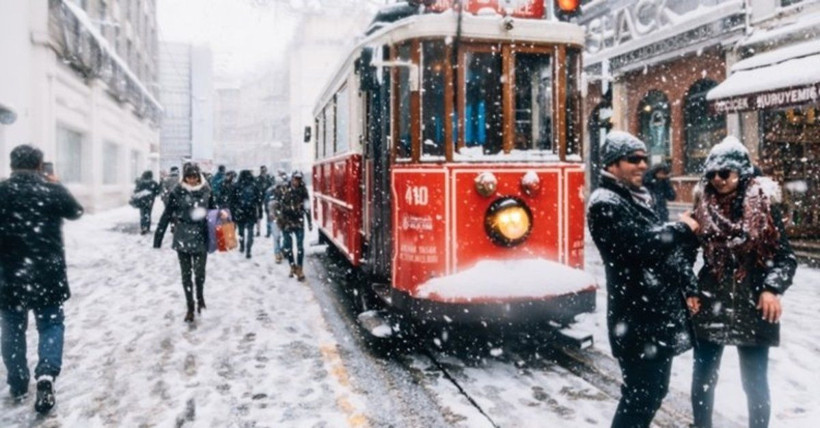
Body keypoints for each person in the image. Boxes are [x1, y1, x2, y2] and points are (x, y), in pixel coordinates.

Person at [586, 131, 700, 428]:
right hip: (636, 320)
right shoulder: (604, 202)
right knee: (641, 396)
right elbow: (636, 246)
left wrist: (687, 283)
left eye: (644, 159)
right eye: (632, 159)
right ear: (612, 165)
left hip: (653, 318)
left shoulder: (639, 198)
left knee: (652, 393)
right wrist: (681, 229)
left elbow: (663, 254)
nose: (642, 165)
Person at [688, 136, 796, 428]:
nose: (718, 180)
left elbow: (786, 258)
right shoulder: (702, 205)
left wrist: (772, 288)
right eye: (712, 174)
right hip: (712, 300)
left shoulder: (765, 206)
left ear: (742, 172)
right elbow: (684, 255)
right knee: (704, 378)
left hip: (753, 302)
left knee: (755, 382)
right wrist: (690, 288)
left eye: (725, 173)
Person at [0, 144, 84, 414]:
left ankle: (18, 381)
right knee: (50, 324)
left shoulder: (1, 191)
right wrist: (56, 185)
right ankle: (46, 376)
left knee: (12, 326)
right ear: (39, 165)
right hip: (47, 273)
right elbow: (76, 211)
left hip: (9, 274)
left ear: (12, 165)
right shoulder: (50, 190)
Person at [154, 163, 225, 323]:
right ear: (184, 177)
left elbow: (213, 213)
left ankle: (200, 298)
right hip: (182, 238)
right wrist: (158, 237)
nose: (192, 180)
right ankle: (190, 307)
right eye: (189, 177)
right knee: (186, 275)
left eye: (194, 177)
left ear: (199, 177)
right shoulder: (177, 192)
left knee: (199, 274)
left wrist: (221, 220)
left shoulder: (207, 192)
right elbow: (167, 214)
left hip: (201, 237)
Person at [280, 170, 312, 281]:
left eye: (299, 179)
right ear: (292, 178)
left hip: (299, 221)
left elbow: (307, 207)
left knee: (300, 247)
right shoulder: (284, 189)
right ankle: (292, 266)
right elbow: (278, 206)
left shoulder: (303, 191)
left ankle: (300, 268)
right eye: (295, 178)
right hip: (286, 221)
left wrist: (310, 222)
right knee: (288, 246)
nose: (297, 181)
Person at [231, 170, 260, 259]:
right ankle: (249, 248)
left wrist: (234, 212)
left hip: (240, 212)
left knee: (241, 231)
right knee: (250, 230)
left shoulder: (236, 186)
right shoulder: (254, 186)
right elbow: (258, 200)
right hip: (251, 211)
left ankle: (242, 245)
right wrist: (259, 213)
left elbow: (232, 201)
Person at [255, 166, 274, 237]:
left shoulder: (260, 179)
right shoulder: (268, 179)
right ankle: (263, 231)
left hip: (263, 198)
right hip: (264, 198)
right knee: (261, 215)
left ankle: (263, 231)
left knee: (263, 215)